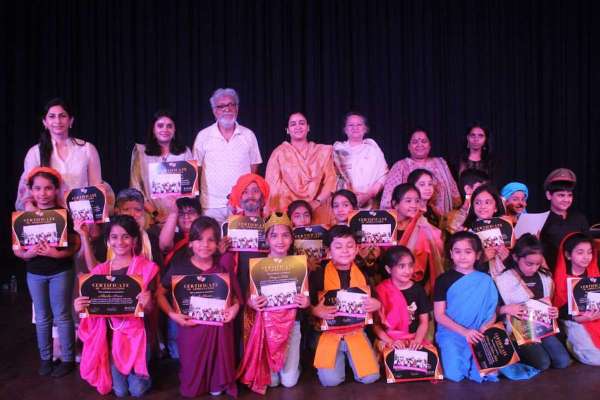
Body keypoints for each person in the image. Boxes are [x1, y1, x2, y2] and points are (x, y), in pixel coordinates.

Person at [74, 215, 160, 396]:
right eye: (114, 237)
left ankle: (146, 373)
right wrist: (80, 308)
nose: (120, 242)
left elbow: (150, 310)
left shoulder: (147, 268)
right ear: (108, 240)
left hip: (138, 335)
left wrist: (148, 303)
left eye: (125, 236)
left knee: (137, 391)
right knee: (120, 392)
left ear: (134, 240)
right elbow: (90, 309)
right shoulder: (101, 271)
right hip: (111, 337)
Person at [156, 217, 241, 397]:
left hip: (219, 329)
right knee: (191, 385)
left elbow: (234, 296)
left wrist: (234, 309)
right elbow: (159, 293)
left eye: (211, 240)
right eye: (199, 239)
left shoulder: (222, 263)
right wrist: (172, 315)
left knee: (216, 388)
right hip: (191, 328)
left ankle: (217, 381)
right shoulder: (179, 266)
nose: (205, 245)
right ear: (190, 243)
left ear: (217, 243)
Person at [13, 167, 80, 377]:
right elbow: (17, 248)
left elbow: (75, 244)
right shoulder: (23, 217)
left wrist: (56, 254)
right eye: (37, 188)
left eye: (48, 188)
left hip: (61, 271)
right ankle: (45, 359)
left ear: (56, 189)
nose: (43, 193)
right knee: (42, 318)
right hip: (35, 273)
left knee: (62, 315)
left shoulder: (64, 214)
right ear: (31, 190)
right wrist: (27, 254)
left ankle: (68, 359)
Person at [238, 212, 310, 393]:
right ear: (267, 239)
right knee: (273, 382)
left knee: (289, 382)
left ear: (291, 239)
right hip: (267, 326)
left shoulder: (299, 265)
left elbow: (307, 298)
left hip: (292, 324)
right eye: (274, 235)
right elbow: (249, 298)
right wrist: (253, 303)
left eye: (285, 235)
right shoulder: (258, 266)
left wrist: (306, 302)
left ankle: (295, 366)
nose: (280, 240)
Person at [310, 225, 381, 386]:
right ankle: (342, 361)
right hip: (329, 333)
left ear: (356, 249)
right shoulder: (319, 274)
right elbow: (308, 305)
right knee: (330, 381)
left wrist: (376, 304)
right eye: (338, 246)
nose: (345, 251)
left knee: (370, 378)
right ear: (329, 251)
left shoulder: (364, 272)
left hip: (356, 331)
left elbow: (375, 300)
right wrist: (315, 310)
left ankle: (354, 359)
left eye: (349, 246)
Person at [495, 234, 570, 370]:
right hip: (518, 331)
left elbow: (549, 303)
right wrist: (505, 309)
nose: (534, 268)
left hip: (542, 328)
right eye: (529, 264)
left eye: (538, 264)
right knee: (543, 363)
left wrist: (554, 311)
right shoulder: (503, 279)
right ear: (516, 257)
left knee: (562, 361)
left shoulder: (545, 278)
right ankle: (516, 351)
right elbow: (490, 311)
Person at [433, 231, 499, 382]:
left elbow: (492, 312)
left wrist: (485, 327)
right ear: (451, 254)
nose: (462, 256)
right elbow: (439, 315)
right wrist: (464, 332)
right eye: (457, 252)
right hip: (452, 333)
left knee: (488, 373)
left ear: (477, 255)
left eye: (468, 252)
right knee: (454, 375)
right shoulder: (443, 280)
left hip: (479, 333)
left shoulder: (486, 280)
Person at [16, 98, 102, 211]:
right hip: (48, 216)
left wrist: (92, 218)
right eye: (52, 116)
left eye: (63, 116)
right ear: (45, 122)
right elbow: (28, 190)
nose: (58, 121)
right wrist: (31, 209)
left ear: (71, 121)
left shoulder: (87, 149)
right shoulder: (35, 152)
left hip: (82, 215)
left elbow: (96, 188)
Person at [193, 88, 262, 224]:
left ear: (237, 108)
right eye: (221, 106)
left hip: (241, 204)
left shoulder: (248, 135)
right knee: (211, 238)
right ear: (214, 111)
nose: (227, 109)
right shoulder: (203, 136)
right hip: (211, 206)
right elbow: (196, 170)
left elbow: (253, 170)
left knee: (242, 238)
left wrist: (243, 195)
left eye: (231, 104)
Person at [265, 112, 337, 225]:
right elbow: (272, 187)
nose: (298, 126)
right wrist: (289, 210)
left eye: (301, 123)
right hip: (287, 211)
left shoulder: (322, 152)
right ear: (287, 130)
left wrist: (316, 202)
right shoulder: (279, 153)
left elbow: (331, 180)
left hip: (317, 208)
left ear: (308, 127)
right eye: (293, 124)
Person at [129, 110, 193, 225]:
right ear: (153, 130)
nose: (165, 129)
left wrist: (175, 214)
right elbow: (136, 190)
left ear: (175, 130)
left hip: (180, 217)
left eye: (169, 126)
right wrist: (155, 214)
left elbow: (190, 190)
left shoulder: (184, 152)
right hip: (150, 218)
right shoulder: (142, 153)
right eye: (160, 126)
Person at [157, 196, 202, 358]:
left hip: (202, 302)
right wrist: (173, 212)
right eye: (182, 214)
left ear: (200, 215)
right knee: (178, 354)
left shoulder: (207, 240)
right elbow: (164, 244)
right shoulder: (173, 238)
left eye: (191, 212)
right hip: (176, 305)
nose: (186, 217)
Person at [381, 129, 460, 214]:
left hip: (441, 218)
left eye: (424, 141)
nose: (420, 144)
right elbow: (388, 201)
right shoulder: (400, 166)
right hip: (410, 219)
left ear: (430, 145)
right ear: (409, 146)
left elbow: (455, 196)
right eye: (415, 142)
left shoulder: (441, 163)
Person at [553, 232, 600, 365]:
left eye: (589, 252)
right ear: (568, 255)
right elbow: (558, 310)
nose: (586, 257)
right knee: (595, 358)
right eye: (580, 252)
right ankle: (570, 346)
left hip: (596, 317)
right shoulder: (560, 278)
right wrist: (578, 318)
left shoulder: (594, 274)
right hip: (574, 321)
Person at [374, 246, 432, 352]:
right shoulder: (381, 290)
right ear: (388, 269)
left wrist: (417, 341)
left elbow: (424, 321)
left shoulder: (418, 290)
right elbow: (376, 325)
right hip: (388, 340)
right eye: (402, 266)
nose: (408, 271)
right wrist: (390, 341)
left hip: (413, 339)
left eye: (410, 265)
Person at [391, 183, 445, 294]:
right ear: (395, 204)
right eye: (408, 201)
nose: (414, 205)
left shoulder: (424, 226)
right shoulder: (386, 225)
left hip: (416, 283)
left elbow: (433, 256)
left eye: (417, 201)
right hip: (388, 282)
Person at [332, 112, 388, 208]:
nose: (355, 128)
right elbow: (332, 177)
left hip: (370, 202)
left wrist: (368, 195)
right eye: (351, 125)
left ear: (365, 129)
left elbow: (383, 175)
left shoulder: (373, 149)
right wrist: (348, 198)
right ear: (345, 129)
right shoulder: (337, 150)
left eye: (359, 125)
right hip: (344, 204)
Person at [540, 168, 589, 271]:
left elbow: (589, 247)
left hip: (579, 274)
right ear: (548, 195)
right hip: (551, 273)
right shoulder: (541, 220)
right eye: (561, 195)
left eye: (569, 195)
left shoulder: (579, 218)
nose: (566, 200)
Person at [464, 184, 512, 274]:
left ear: (496, 207)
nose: (482, 206)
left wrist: (507, 257)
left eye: (487, 202)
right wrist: (483, 259)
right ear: (473, 206)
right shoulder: (467, 232)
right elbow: (462, 264)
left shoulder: (506, 226)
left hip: (505, 277)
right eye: (478, 203)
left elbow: (516, 262)